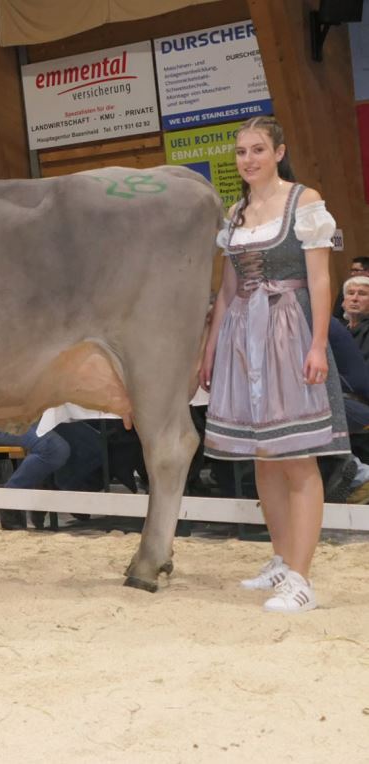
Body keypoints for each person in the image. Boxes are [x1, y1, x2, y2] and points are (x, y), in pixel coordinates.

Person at [201, 116, 349, 613]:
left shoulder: (303, 202)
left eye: (258, 150)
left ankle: (303, 580)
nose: (248, 160)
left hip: (289, 330)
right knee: (263, 456)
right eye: (241, 152)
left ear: (279, 152)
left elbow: (322, 280)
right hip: (246, 334)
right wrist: (212, 346)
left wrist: (317, 344)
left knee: (297, 457)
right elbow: (226, 289)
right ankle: (283, 558)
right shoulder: (236, 212)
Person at [341, 275, 369, 362]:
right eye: (350, 293)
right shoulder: (340, 329)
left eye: (362, 294)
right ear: (343, 302)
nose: (354, 298)